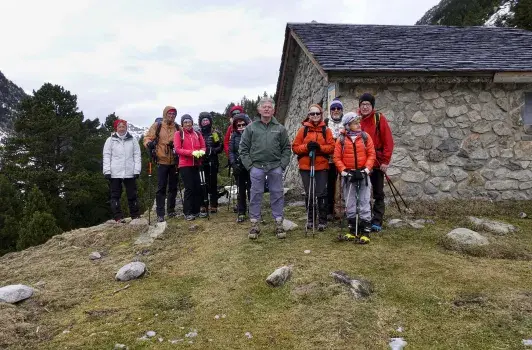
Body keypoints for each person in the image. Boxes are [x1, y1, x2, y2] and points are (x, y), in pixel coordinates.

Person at [239, 97, 291, 240]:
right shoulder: (251, 128)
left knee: (277, 194)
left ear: (273, 110)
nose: (267, 109)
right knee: (256, 195)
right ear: (259, 109)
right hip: (257, 167)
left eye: (269, 107)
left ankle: (279, 223)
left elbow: (286, 148)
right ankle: (255, 224)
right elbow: (243, 149)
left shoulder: (280, 128)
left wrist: (282, 165)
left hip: (275, 167)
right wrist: (250, 166)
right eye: (264, 107)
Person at [333, 112, 376, 243]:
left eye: (358, 122)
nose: (358, 124)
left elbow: (371, 154)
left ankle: (365, 231)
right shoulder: (341, 139)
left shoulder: (365, 137)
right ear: (347, 125)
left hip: (363, 174)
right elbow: (337, 158)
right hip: (349, 175)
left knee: (364, 201)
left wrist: (366, 170)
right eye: (355, 123)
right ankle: (352, 230)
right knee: (350, 202)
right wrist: (344, 171)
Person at [291, 104, 335, 231]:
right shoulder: (303, 130)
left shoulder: (326, 130)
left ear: (321, 115)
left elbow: (332, 147)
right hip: (306, 166)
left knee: (321, 193)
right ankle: (310, 219)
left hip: (321, 166)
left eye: (317, 113)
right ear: (308, 115)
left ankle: (322, 220)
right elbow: (295, 147)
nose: (315, 116)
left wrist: (320, 148)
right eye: (312, 114)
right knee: (310, 192)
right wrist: (306, 147)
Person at [358, 93, 394, 232]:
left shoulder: (379, 119)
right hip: (361, 161)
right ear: (359, 106)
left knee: (378, 192)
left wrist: (385, 161)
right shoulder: (356, 120)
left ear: (372, 106)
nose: (365, 107)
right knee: (363, 192)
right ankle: (364, 218)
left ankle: (377, 221)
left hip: (377, 161)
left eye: (368, 104)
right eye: (362, 104)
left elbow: (388, 141)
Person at [144, 106, 180, 222]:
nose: (171, 116)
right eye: (169, 114)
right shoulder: (157, 126)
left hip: (174, 161)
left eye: (173, 114)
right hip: (162, 160)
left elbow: (185, 139)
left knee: (173, 187)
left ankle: (171, 210)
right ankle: (160, 213)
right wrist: (149, 143)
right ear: (165, 114)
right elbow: (147, 137)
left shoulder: (178, 127)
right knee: (161, 188)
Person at [103, 118, 141, 222]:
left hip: (129, 171)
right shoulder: (110, 140)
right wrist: (107, 171)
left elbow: (137, 156)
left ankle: (135, 216)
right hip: (115, 172)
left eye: (123, 126)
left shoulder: (133, 140)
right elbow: (106, 156)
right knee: (115, 195)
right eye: (119, 126)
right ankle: (118, 217)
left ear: (126, 127)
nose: (121, 128)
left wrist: (137, 170)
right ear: (116, 128)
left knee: (132, 195)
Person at [175, 114, 206, 220]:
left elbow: (203, 146)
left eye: (189, 122)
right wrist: (191, 152)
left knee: (198, 187)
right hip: (185, 164)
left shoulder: (197, 133)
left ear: (192, 122)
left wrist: (202, 152)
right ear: (182, 124)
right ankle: (187, 212)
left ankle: (196, 211)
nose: (188, 124)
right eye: (185, 122)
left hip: (197, 163)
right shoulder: (179, 134)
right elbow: (178, 149)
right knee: (189, 188)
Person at [198, 112, 223, 214]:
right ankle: (203, 205)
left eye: (207, 120)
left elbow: (220, 147)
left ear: (210, 121)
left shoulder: (214, 133)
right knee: (202, 183)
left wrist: (212, 150)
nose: (205, 122)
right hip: (201, 161)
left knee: (213, 183)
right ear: (200, 122)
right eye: (203, 120)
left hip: (213, 161)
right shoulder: (198, 133)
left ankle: (213, 205)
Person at [325, 98, 345, 221]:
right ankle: (329, 211)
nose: (336, 110)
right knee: (330, 185)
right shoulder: (326, 123)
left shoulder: (347, 122)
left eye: (338, 108)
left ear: (342, 110)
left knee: (344, 185)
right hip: (330, 160)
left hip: (344, 159)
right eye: (333, 108)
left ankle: (343, 210)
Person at [229, 113, 251, 223]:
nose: (241, 127)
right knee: (241, 190)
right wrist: (233, 164)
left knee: (252, 189)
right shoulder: (233, 136)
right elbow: (231, 151)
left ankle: (253, 211)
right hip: (238, 167)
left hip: (251, 166)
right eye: (239, 125)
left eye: (243, 125)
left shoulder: (252, 134)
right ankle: (241, 211)